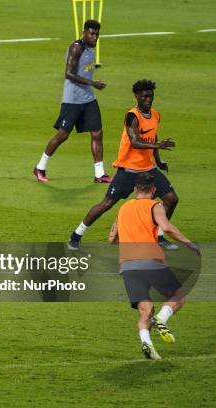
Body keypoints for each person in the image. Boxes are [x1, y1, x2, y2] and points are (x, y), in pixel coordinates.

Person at [68, 79, 179, 250]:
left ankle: (159, 236)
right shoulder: (132, 116)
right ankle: (76, 235)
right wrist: (157, 146)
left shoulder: (155, 115)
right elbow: (135, 142)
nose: (148, 99)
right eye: (144, 96)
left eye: (150, 96)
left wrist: (158, 160)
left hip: (149, 170)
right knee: (106, 204)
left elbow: (153, 136)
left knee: (171, 199)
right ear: (136, 97)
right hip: (128, 171)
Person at [108, 172, 201, 360]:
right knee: (178, 297)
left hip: (128, 265)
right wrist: (188, 243)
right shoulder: (155, 205)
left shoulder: (123, 208)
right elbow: (166, 227)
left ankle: (147, 344)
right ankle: (161, 319)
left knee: (145, 309)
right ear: (154, 190)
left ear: (135, 189)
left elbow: (112, 238)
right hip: (151, 261)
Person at [33, 19, 111, 183]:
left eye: (97, 34)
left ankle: (99, 174)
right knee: (63, 135)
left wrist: (91, 85)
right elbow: (68, 73)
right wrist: (93, 83)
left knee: (97, 132)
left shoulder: (91, 48)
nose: (95, 37)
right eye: (91, 34)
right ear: (84, 32)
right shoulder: (77, 47)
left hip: (88, 98)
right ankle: (40, 167)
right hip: (73, 100)